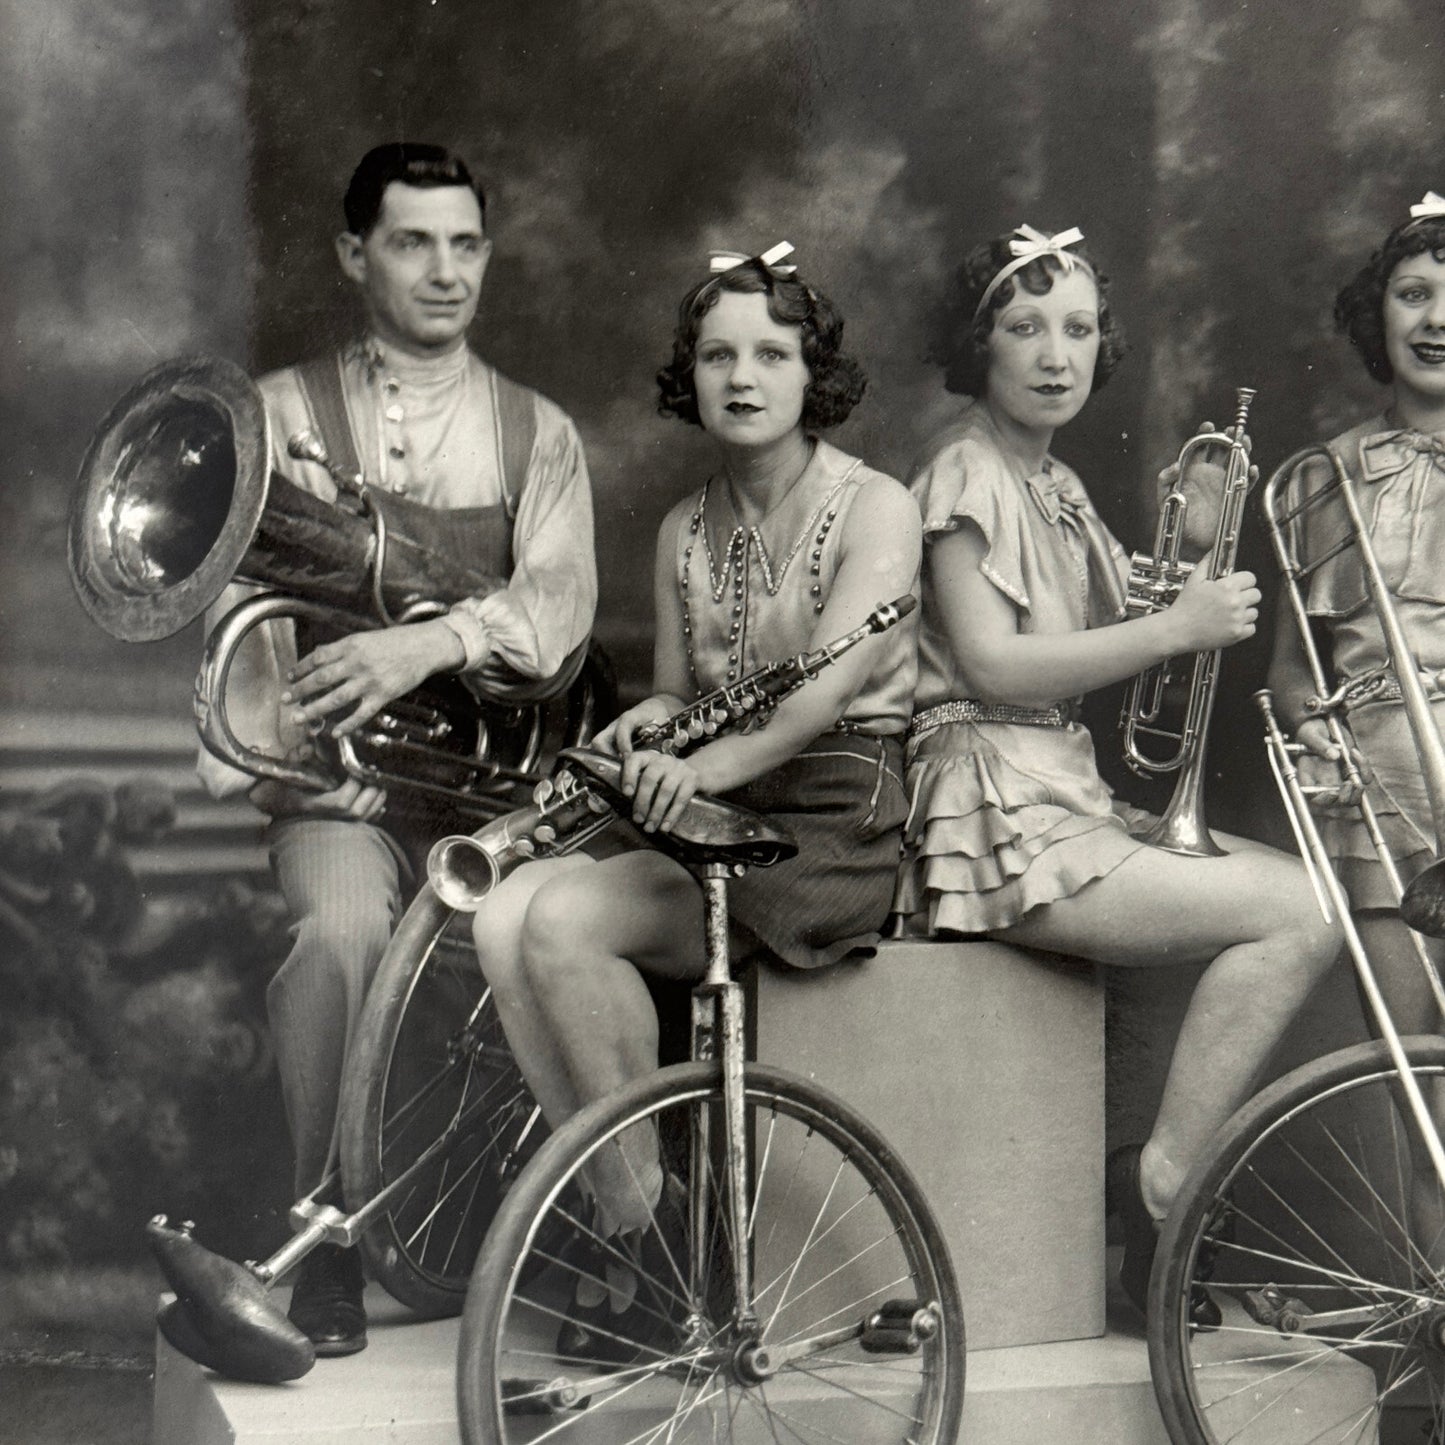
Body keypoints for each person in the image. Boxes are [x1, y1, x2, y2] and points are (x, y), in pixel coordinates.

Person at [468, 243, 920, 1360]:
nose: (742, 375)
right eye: (716, 353)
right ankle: (641, 1220)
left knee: (565, 922)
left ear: (812, 372)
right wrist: (646, 726)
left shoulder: (878, 506)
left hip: (828, 809)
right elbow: (678, 688)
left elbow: (826, 684)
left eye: (771, 352)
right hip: (710, 792)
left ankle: (646, 1244)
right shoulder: (682, 526)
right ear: (692, 373)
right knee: (497, 914)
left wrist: (706, 764)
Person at [891, 224, 1343, 1318]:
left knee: (1292, 894)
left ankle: (1141, 1193)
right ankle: (1164, 1189)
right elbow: (995, 663)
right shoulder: (964, 468)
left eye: (1080, 329)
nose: (1056, 353)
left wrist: (1186, 549)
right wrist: (1173, 625)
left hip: (1055, 788)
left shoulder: (1048, 480)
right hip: (988, 802)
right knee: (1301, 915)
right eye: (1024, 326)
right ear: (977, 344)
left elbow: (1114, 617)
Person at [195, 142, 597, 1355]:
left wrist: (419, 649)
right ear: (351, 254)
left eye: (464, 243)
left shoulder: (539, 433)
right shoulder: (271, 413)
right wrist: (304, 736)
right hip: (336, 790)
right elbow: (234, 630)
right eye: (412, 241)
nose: (443, 270)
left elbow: (559, 611)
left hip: (489, 785)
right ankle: (323, 1233)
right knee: (340, 934)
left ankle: (560, 1231)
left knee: (562, 935)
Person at [1268, 191, 1445, 1232]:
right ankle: (1436, 1367)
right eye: (1410, 293)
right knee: (1419, 1091)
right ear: (1373, 316)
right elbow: (1295, 665)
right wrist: (1312, 727)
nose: (1433, 317)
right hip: (1378, 786)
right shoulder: (1321, 475)